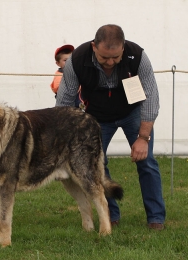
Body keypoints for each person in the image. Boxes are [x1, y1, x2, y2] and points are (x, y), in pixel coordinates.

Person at [55, 24, 166, 230]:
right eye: (104, 57)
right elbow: (64, 102)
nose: (110, 62)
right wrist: (64, 137)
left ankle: (156, 218)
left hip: (132, 112)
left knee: (147, 162)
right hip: (95, 118)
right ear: (94, 47)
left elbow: (151, 98)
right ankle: (110, 214)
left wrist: (143, 138)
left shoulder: (138, 56)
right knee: (97, 165)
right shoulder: (77, 60)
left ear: (123, 47)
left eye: (115, 57)